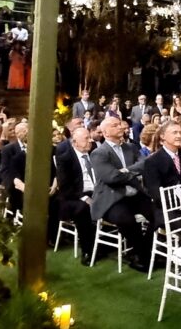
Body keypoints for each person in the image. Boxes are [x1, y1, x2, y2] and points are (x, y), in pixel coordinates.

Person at [88, 116, 153, 271]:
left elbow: (145, 163)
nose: (121, 127)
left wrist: (125, 170)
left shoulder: (130, 147)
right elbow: (111, 177)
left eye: (120, 124)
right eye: (115, 125)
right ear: (105, 132)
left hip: (134, 194)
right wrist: (131, 173)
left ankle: (144, 250)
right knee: (127, 220)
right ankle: (142, 256)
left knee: (157, 213)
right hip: (112, 198)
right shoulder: (99, 153)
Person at [53, 127, 104, 264]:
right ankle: (87, 250)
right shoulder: (65, 158)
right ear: (75, 142)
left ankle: (104, 243)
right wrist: (84, 198)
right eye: (86, 139)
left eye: (90, 137)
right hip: (74, 196)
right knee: (83, 209)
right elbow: (65, 186)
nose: (90, 140)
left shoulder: (95, 153)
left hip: (97, 191)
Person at [142, 121, 181, 225]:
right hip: (165, 208)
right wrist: (179, 205)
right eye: (174, 133)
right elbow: (155, 192)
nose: (179, 136)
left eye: (180, 132)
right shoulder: (152, 161)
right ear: (163, 136)